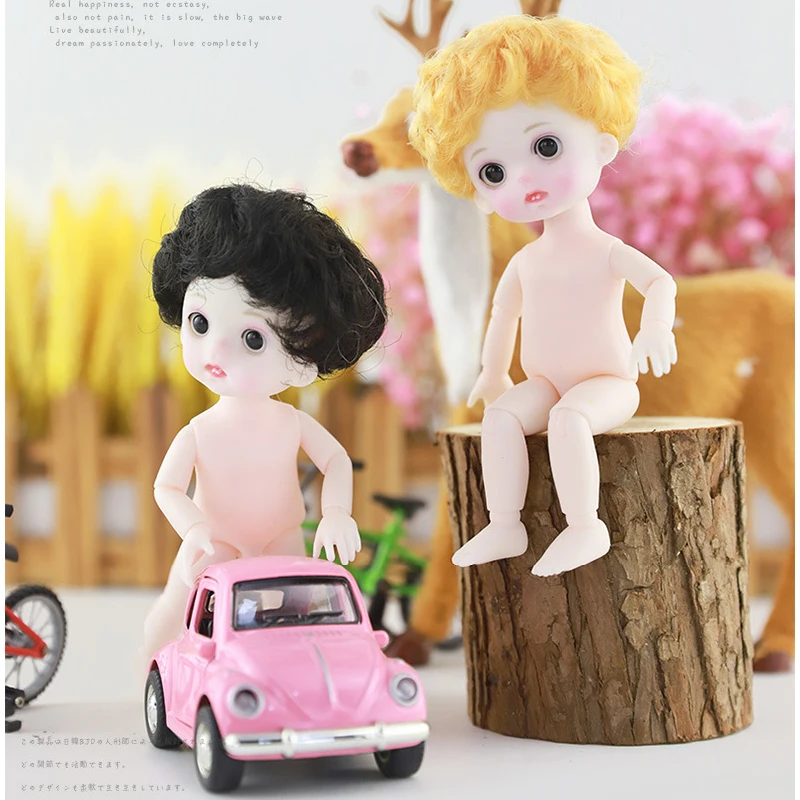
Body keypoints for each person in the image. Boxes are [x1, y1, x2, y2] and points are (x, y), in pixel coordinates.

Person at [410, 16, 678, 576]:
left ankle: (586, 527)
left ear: (602, 145)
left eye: (546, 146)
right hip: (545, 382)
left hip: (608, 384)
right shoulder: (526, 262)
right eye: (493, 170)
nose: (524, 178)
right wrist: (492, 372)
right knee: (502, 416)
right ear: (480, 194)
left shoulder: (605, 250)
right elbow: (503, 314)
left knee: (568, 419)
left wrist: (654, 328)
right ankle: (504, 524)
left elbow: (660, 282)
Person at [143, 184, 387, 657]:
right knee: (180, 610)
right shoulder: (200, 432)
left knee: (297, 616)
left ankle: (293, 677)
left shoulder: (291, 422)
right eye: (199, 323)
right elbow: (166, 487)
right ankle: (155, 669)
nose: (215, 351)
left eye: (253, 339)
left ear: (306, 361)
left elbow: (336, 460)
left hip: (281, 536)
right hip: (214, 539)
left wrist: (337, 513)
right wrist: (193, 529)